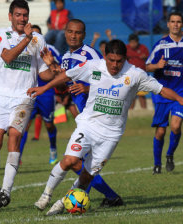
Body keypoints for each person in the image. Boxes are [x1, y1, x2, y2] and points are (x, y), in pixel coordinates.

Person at [28, 39, 183, 216]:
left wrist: (180, 99)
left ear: (125, 59)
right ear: (105, 57)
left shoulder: (135, 74)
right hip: (88, 125)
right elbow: (67, 75)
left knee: (88, 175)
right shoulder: (94, 66)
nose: (115, 65)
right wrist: (44, 88)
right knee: (69, 160)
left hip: (111, 134)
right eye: (111, 60)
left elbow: (161, 89)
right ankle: (46, 195)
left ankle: (62, 202)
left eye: (119, 61)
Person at [33, 20, 125, 215]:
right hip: (85, 118)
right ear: (65, 33)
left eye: (77, 33)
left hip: (98, 119)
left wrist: (88, 87)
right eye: (70, 32)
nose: (73, 36)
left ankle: (74, 199)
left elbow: (111, 79)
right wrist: (54, 67)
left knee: (76, 163)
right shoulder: (66, 57)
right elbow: (64, 86)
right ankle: (110, 197)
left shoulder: (91, 54)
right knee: (79, 164)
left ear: (83, 35)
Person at [0, 0, 54, 211]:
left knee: (15, 137)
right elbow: (7, 57)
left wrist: (53, 67)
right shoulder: (1, 34)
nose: (22, 18)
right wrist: (27, 38)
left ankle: (5, 192)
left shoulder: (39, 39)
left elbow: (43, 73)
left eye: (25, 15)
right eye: (18, 15)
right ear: (10, 16)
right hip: (0, 96)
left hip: (24, 97)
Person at [146, 12, 183, 174]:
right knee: (160, 132)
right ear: (168, 24)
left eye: (179, 22)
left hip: (180, 93)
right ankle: (156, 164)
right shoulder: (160, 45)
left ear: (182, 24)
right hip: (162, 93)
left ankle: (169, 155)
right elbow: (147, 66)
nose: (175, 24)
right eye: (173, 21)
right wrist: (157, 66)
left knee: (175, 126)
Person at [19, 24, 61, 165]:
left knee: (49, 125)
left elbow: (60, 70)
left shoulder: (51, 50)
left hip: (46, 93)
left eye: (36, 35)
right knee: (24, 125)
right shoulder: (24, 49)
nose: (33, 38)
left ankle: (53, 148)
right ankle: (17, 156)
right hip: (30, 92)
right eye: (31, 35)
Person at [126, 33, 149, 109]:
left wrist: (145, 57)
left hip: (141, 74)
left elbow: (148, 59)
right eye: (131, 42)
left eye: (134, 42)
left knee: (141, 94)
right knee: (131, 95)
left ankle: (144, 109)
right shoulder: (126, 48)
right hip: (130, 74)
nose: (133, 44)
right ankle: (131, 110)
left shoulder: (143, 48)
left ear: (137, 42)